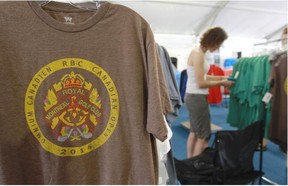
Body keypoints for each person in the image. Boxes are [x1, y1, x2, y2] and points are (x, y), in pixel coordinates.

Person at [185, 27, 234, 158]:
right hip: (197, 97)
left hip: (195, 96)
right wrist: (222, 83)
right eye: (219, 43)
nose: (219, 47)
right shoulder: (198, 54)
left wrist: (222, 78)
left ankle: (190, 162)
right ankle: (195, 167)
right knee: (203, 135)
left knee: (195, 132)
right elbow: (201, 82)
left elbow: (203, 76)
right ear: (214, 41)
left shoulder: (199, 53)